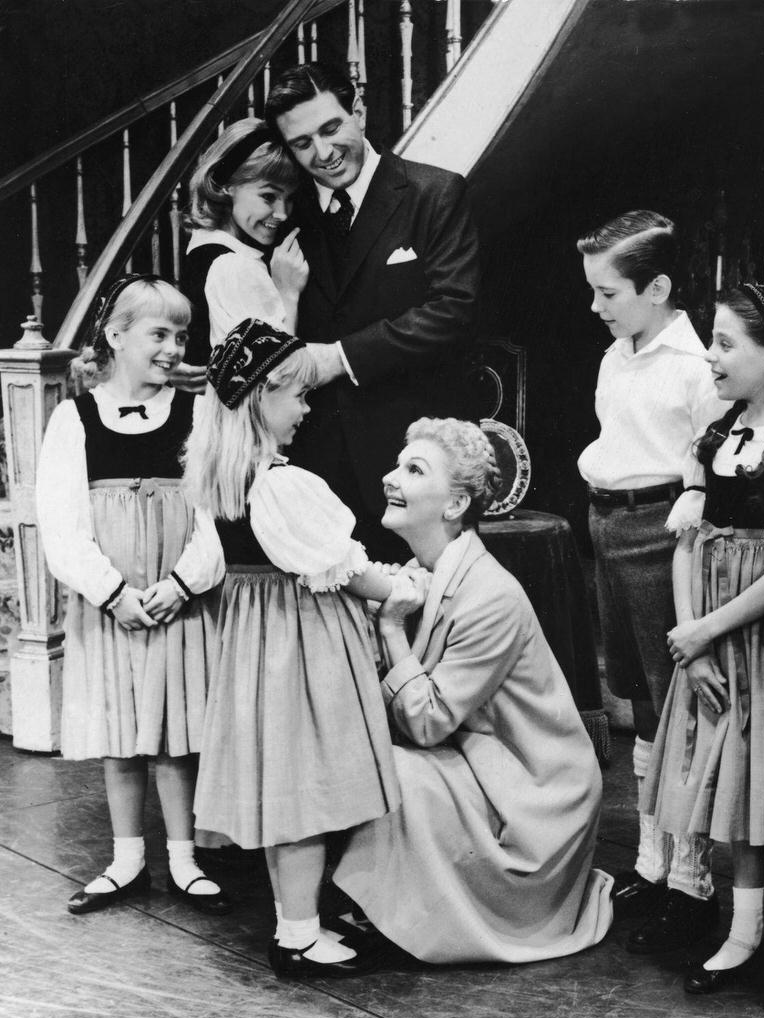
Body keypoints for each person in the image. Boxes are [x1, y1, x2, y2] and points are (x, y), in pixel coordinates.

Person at [332, 417, 614, 963]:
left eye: (414, 470)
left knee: (393, 767)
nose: (390, 478)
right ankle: (386, 902)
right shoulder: (421, 572)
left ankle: (408, 915)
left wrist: (390, 628)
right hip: (477, 763)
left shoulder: (489, 595)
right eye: (398, 465)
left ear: (456, 504)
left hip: (534, 801)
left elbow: (427, 722)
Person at [187, 318, 419, 979]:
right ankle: (296, 936)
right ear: (262, 395)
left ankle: (300, 918)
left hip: (257, 646)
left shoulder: (223, 479)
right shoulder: (279, 484)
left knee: (285, 788)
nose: (306, 408)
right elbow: (345, 569)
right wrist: (405, 587)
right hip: (299, 644)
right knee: (305, 793)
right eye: (298, 395)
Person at [638, 282, 764, 1003]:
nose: (710, 357)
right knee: (739, 787)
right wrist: (694, 641)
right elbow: (689, 542)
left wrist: (711, 629)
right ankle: (743, 934)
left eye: (725, 343)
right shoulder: (716, 437)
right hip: (711, 640)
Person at [36, 275, 229, 917]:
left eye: (182, 336)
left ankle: (184, 858)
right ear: (117, 337)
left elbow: (214, 517)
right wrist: (113, 592)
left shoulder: (197, 414)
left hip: (175, 597)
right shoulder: (74, 418)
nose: (174, 348)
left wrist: (182, 584)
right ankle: (127, 861)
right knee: (121, 731)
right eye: (159, 334)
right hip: (112, 604)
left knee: (175, 732)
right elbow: (61, 525)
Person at [575, 210, 725, 952]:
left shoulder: (696, 367)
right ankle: (651, 861)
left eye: (608, 293)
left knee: (677, 707)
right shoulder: (616, 355)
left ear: (657, 288)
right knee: (637, 699)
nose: (595, 306)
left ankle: (691, 880)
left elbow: (710, 474)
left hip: (663, 533)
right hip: (608, 524)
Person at [263, 62, 481, 562]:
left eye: (331, 128)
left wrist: (339, 357)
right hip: (315, 467)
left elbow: (454, 309)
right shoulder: (285, 215)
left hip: (413, 465)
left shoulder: (434, 193)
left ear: (358, 111)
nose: (322, 153)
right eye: (302, 143)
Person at [182, 118, 308, 368]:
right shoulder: (235, 266)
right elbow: (273, 375)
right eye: (268, 196)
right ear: (226, 185)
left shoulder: (203, 245)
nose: (282, 213)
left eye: (289, 198)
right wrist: (288, 294)